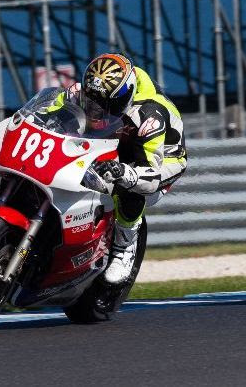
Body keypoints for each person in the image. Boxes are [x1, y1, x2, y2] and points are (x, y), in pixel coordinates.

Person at [77, 53, 187, 284]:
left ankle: (124, 247)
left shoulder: (149, 115)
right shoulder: (100, 88)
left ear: (123, 98)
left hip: (163, 158)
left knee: (131, 184)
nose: (97, 109)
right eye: (92, 100)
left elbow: (150, 174)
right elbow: (57, 106)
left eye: (105, 104)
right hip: (121, 139)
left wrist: (126, 172)